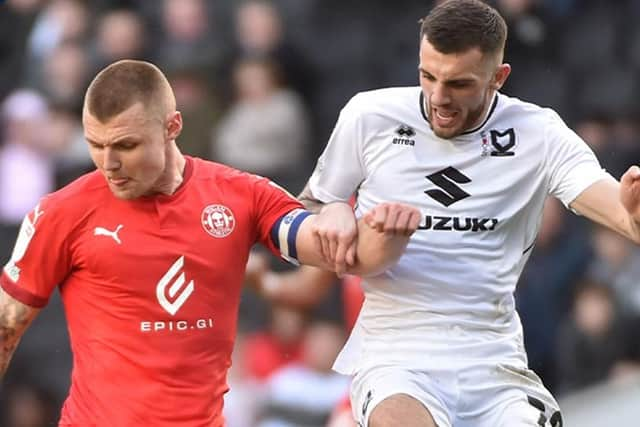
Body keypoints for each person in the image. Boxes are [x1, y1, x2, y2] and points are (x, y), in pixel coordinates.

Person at [0, 59, 423, 427]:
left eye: (126, 146)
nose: (109, 164)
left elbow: (336, 250)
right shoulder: (61, 212)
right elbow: (6, 325)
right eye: (96, 145)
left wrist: (382, 231)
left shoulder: (241, 196)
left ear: (172, 127)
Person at [296, 1, 640, 426]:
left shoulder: (539, 134)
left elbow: (622, 214)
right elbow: (302, 213)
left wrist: (633, 215)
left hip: (493, 359)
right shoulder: (370, 117)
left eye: (458, 83)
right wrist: (330, 210)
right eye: (428, 76)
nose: (438, 97)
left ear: (499, 77)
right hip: (396, 355)